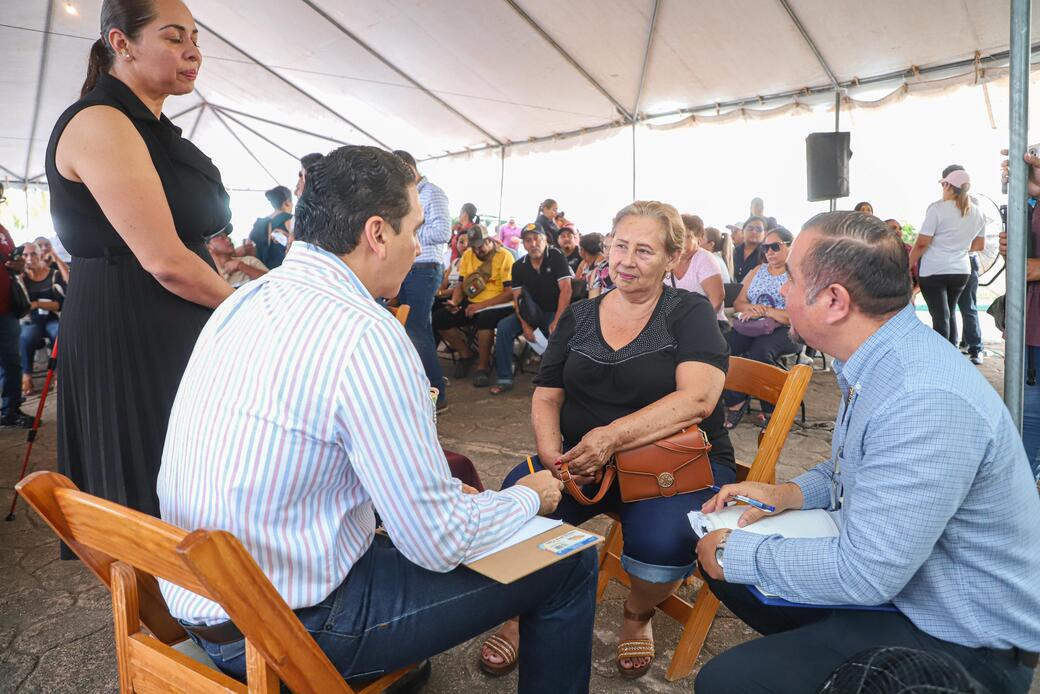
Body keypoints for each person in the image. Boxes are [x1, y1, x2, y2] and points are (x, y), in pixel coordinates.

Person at [157, 145, 597, 693]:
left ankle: (396, 661)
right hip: (281, 633)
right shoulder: (365, 333)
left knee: (425, 516)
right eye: (414, 229)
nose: (420, 246)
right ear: (377, 233)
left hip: (195, 599)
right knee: (567, 562)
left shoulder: (245, 300)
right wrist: (529, 494)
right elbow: (437, 543)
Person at [694, 211, 1040, 694]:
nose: (782, 291)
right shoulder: (881, 359)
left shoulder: (921, 396)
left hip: (962, 639)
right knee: (729, 573)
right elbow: (846, 468)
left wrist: (737, 551)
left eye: (791, 277)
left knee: (726, 679)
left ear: (834, 300)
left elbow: (865, 574)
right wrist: (788, 492)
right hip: (912, 597)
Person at [485, 200, 735, 680]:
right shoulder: (580, 314)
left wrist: (610, 438)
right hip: (582, 460)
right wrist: (553, 456)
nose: (626, 259)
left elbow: (699, 400)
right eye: (620, 245)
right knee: (517, 501)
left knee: (664, 539)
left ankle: (637, 614)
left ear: (671, 258)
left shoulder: (689, 311)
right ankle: (520, 610)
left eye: (644, 250)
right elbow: (546, 395)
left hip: (672, 461)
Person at [45, 0, 234, 525]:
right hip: (133, 323)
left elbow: (192, 235)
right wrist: (251, 309)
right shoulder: (100, 122)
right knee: (155, 487)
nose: (193, 51)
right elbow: (165, 260)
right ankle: (162, 601)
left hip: (173, 317)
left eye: (195, 38)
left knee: (196, 480)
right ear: (120, 43)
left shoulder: (151, 127)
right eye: (174, 38)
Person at [393, 150, 451, 411]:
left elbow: (443, 232)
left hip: (425, 267)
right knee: (414, 328)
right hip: (410, 268)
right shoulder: (407, 194)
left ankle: (436, 394)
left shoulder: (432, 193)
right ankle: (426, 390)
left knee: (416, 329)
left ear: (408, 167)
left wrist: (408, 232)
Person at [723, 227, 798, 429]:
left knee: (761, 351)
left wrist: (765, 311)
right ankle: (735, 400)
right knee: (721, 348)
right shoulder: (757, 271)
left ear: (790, 246)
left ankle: (771, 407)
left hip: (786, 329)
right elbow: (739, 303)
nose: (769, 252)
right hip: (753, 326)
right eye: (766, 248)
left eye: (775, 246)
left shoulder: (798, 274)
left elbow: (797, 316)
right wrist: (754, 310)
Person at [490, 224, 572, 395]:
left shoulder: (556, 256)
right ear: (524, 244)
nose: (533, 243)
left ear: (545, 240)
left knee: (556, 331)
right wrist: (525, 326)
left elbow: (566, 289)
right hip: (530, 313)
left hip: (553, 310)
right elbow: (517, 298)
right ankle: (504, 377)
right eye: (528, 240)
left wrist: (558, 320)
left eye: (537, 239)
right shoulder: (519, 265)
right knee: (504, 327)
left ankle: (552, 381)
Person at [909, 167, 986, 345]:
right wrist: (956, 247)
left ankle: (943, 361)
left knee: (940, 317)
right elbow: (979, 246)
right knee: (949, 313)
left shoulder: (937, 209)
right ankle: (953, 358)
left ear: (949, 186)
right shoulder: (978, 212)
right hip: (961, 271)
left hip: (934, 270)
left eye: (944, 184)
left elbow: (921, 243)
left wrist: (907, 265)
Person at [432, 224, 514, 387]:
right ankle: (465, 354)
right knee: (440, 317)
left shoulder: (505, 256)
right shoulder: (468, 255)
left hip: (499, 303)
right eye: (474, 246)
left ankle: (482, 367)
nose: (477, 250)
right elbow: (461, 285)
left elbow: (509, 293)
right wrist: (455, 301)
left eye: (481, 245)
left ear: (489, 240)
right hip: (473, 301)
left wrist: (481, 306)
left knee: (485, 318)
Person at [0, 184, 32, 427]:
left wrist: (18, 264)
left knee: (12, 360)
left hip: (7, 308)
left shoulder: (3, 231)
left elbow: (18, 265)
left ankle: (10, 410)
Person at [19, 242, 65, 396]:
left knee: (58, 333)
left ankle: (58, 375)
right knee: (26, 337)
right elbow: (22, 305)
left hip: (52, 319)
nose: (30, 258)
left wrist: (37, 303)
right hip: (32, 321)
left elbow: (59, 304)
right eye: (25, 255)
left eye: (33, 254)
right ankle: (26, 376)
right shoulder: (22, 278)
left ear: (41, 254)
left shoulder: (53, 274)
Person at [669, 215, 725, 323]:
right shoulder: (667, 259)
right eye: (677, 236)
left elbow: (717, 299)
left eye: (687, 236)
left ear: (699, 237)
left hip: (708, 323)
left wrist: (696, 324)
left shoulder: (704, 259)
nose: (680, 242)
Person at [249, 185, 293, 270]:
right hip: (283, 272)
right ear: (287, 202)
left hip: (260, 273)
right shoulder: (291, 220)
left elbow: (248, 247)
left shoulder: (258, 223)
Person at [732, 215, 766, 282]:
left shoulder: (767, 254)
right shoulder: (733, 251)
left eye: (759, 229)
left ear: (764, 233)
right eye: (750, 228)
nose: (754, 232)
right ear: (742, 231)